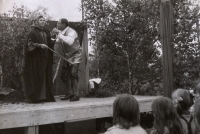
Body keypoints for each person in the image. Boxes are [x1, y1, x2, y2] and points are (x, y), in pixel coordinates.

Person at [24, 16, 55, 103]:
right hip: (36, 59)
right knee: (37, 76)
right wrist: (39, 45)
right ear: (37, 22)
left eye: (44, 20)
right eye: (41, 20)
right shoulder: (33, 32)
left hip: (46, 58)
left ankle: (46, 97)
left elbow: (49, 43)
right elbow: (29, 44)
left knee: (46, 76)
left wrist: (56, 39)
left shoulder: (47, 32)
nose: (42, 21)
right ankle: (37, 98)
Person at [52, 18, 82, 101]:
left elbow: (69, 42)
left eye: (58, 23)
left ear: (64, 24)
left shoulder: (71, 31)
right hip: (67, 56)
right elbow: (57, 41)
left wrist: (58, 33)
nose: (57, 25)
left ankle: (76, 95)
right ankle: (70, 93)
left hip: (76, 55)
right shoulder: (61, 32)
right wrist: (49, 40)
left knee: (73, 74)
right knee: (64, 75)